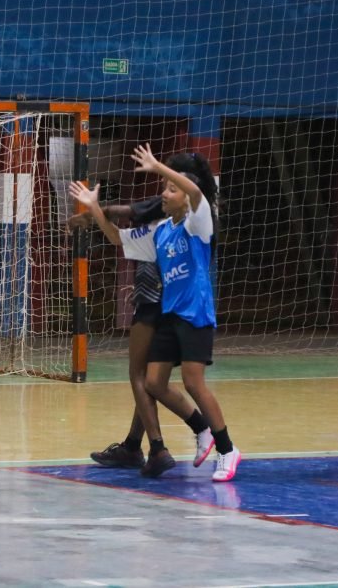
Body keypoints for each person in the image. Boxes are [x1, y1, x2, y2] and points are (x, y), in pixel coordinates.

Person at [69, 144, 241, 482]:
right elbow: (117, 238)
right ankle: (201, 427)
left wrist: (157, 165)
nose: (164, 193)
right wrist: (93, 208)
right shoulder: (160, 232)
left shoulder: (198, 223)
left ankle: (227, 449)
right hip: (169, 315)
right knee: (153, 383)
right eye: (165, 187)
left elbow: (193, 189)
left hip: (195, 315)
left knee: (194, 382)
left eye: (170, 189)